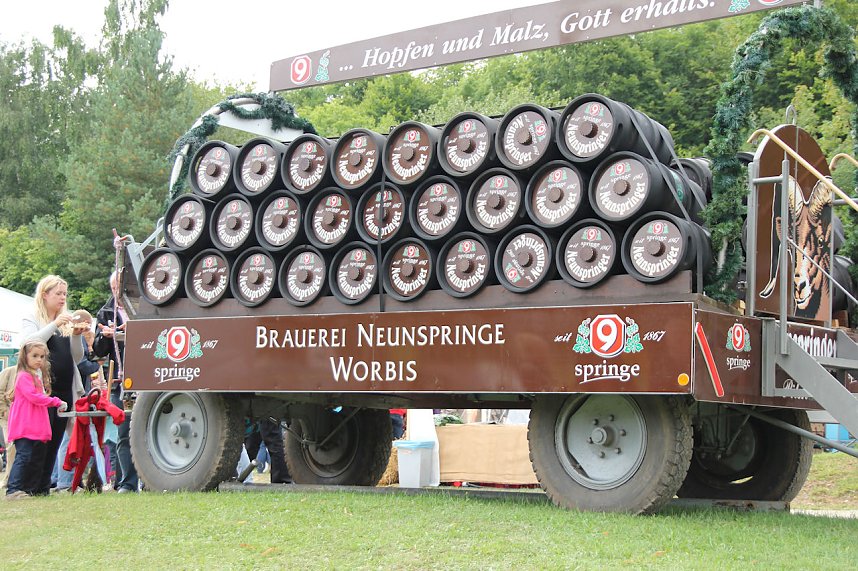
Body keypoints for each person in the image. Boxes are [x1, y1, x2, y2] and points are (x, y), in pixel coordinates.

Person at [21, 275, 86, 495]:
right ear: (44, 294)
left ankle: (42, 487)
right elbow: (29, 344)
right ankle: (28, 486)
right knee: (40, 440)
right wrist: (53, 325)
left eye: (64, 294)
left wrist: (76, 336)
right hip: (42, 389)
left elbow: (76, 358)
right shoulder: (33, 318)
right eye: (58, 293)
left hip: (65, 389)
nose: (62, 298)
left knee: (56, 438)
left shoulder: (65, 322)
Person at [92, 270, 138, 493]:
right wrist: (106, 336)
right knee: (123, 432)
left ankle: (147, 482)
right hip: (120, 380)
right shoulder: (106, 311)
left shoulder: (142, 307)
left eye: (121, 286)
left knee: (143, 432)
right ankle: (126, 483)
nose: (118, 292)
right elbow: (97, 351)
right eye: (114, 287)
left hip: (148, 377)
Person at [5, 340, 68, 499]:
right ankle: (13, 489)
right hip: (25, 425)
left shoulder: (35, 377)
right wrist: (55, 401)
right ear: (24, 357)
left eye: (42, 356)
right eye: (34, 356)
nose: (39, 360)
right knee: (24, 456)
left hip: (32, 425)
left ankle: (25, 488)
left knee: (30, 457)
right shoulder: (24, 377)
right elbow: (34, 397)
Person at [0, 365, 17, 487]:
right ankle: (8, 478)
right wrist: (3, 409)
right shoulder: (9, 372)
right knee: (11, 444)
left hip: (22, 416)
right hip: (8, 415)